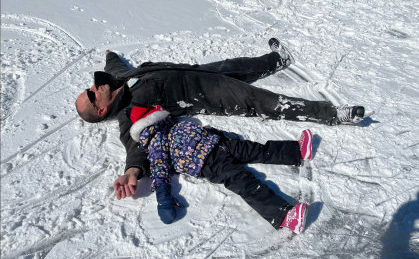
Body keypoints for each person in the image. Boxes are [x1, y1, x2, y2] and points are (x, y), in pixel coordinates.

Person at [75, 38, 367, 186]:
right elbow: (134, 145)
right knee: (261, 100)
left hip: (198, 72)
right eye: (90, 94)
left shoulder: (119, 80)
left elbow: (115, 67)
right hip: (209, 95)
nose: (93, 87)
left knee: (238, 65)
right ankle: (330, 113)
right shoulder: (128, 114)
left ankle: (278, 58)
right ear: (101, 111)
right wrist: (131, 172)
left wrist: (110, 55)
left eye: (89, 88)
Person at [115, 104, 312, 233]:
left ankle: (296, 151)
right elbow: (159, 172)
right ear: (152, 119)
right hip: (208, 163)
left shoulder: (172, 125)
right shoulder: (156, 143)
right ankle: (285, 216)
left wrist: (224, 135)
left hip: (221, 143)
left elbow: (202, 131)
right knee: (244, 182)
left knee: (258, 149)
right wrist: (164, 201)